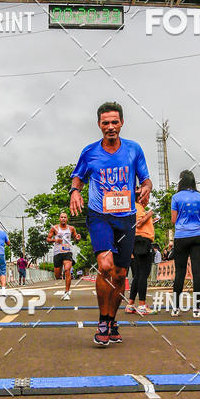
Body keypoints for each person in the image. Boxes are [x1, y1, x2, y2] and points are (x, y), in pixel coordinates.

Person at [70, 101, 152, 346]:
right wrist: (74, 192)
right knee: (105, 266)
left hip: (126, 217)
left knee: (120, 274)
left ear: (122, 123)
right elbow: (78, 177)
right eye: (105, 123)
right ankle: (102, 321)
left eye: (114, 122)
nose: (110, 127)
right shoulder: (90, 152)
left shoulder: (134, 150)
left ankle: (112, 319)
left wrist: (146, 189)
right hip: (99, 215)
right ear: (99, 125)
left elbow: (146, 180)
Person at [170, 171, 200, 315]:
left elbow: (174, 220)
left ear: (181, 182)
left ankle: (176, 308)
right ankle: (197, 309)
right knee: (197, 272)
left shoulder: (176, 197)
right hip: (198, 236)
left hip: (181, 236)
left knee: (179, 273)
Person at [125, 202, 155, 314]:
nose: (147, 198)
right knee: (143, 274)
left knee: (138, 274)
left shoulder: (136, 207)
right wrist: (150, 213)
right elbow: (138, 223)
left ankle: (130, 304)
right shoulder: (136, 206)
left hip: (138, 240)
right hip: (142, 240)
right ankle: (142, 305)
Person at [47, 212, 81, 300]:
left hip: (67, 252)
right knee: (57, 275)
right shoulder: (54, 228)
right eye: (61, 217)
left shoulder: (71, 228)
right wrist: (55, 240)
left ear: (67, 219)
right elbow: (48, 239)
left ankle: (67, 292)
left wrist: (77, 238)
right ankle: (61, 273)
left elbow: (75, 237)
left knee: (67, 270)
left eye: (65, 217)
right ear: (59, 219)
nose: (63, 219)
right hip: (57, 253)